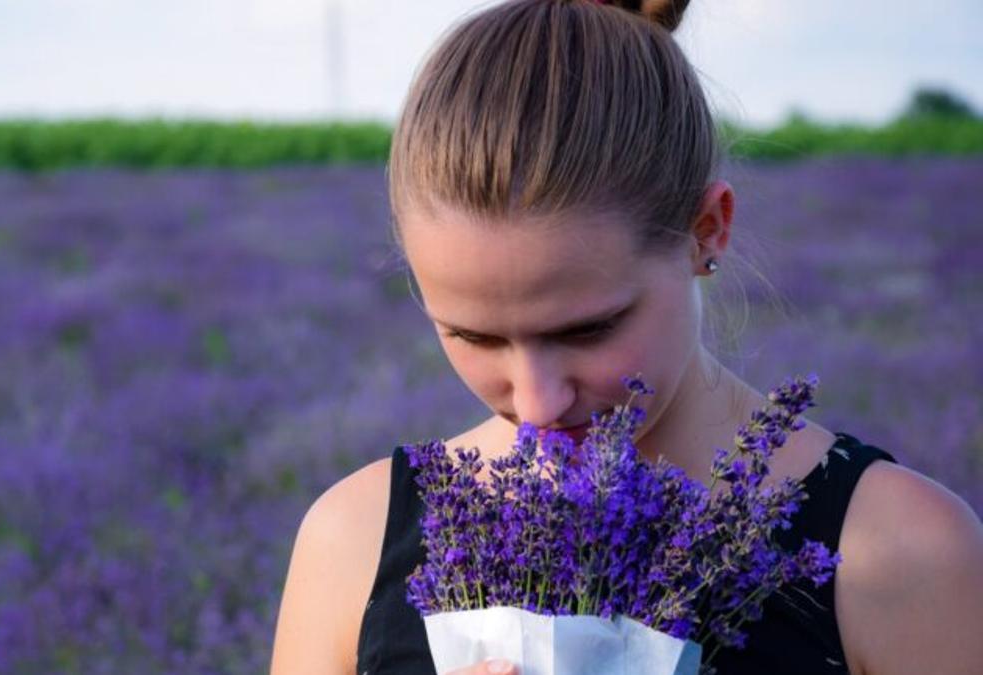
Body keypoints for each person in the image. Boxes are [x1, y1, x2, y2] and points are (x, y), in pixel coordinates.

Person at [270, 1, 983, 673]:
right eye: (474, 336)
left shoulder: (902, 551)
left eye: (588, 328)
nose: (540, 402)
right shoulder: (353, 541)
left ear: (707, 231)